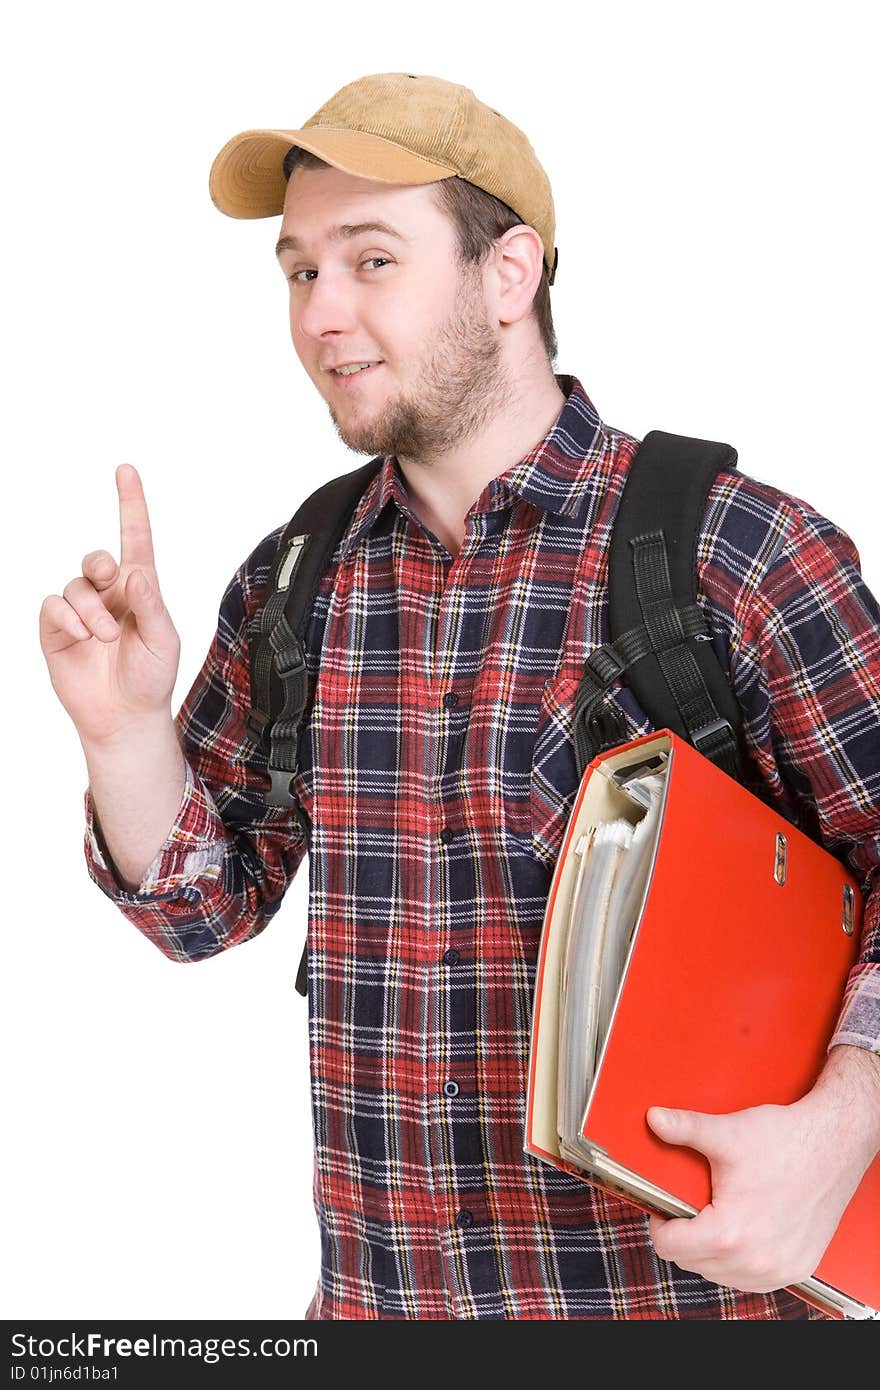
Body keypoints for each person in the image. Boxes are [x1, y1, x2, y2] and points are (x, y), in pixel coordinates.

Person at [39, 72, 879, 1321]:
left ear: (509, 275)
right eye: (297, 271)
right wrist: (122, 733)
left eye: (371, 259)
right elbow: (206, 910)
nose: (322, 313)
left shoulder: (734, 554)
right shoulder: (296, 579)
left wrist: (841, 1126)